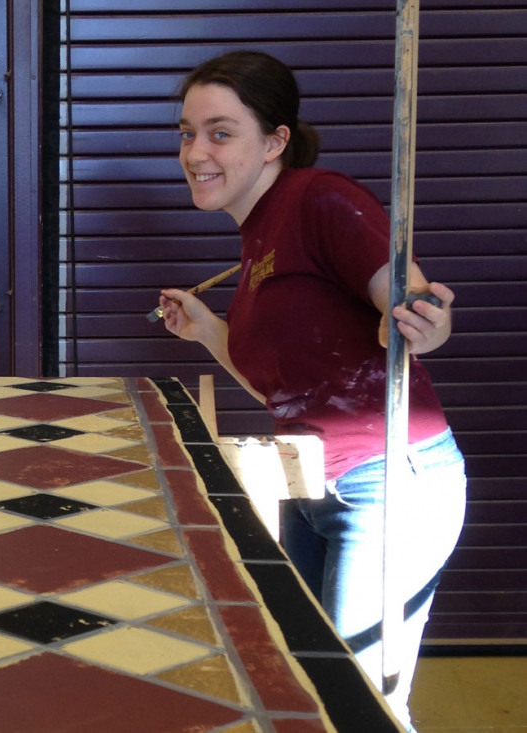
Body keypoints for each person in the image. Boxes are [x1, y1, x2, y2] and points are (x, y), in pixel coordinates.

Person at [158, 51, 466, 730]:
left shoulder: (320, 198)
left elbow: (406, 296)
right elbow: (285, 390)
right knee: (302, 683)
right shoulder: (257, 235)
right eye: (186, 132)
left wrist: (422, 317)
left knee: (360, 706)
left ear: (275, 141)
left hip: (391, 481)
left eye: (220, 132)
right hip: (312, 483)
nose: (195, 152)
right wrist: (211, 332)